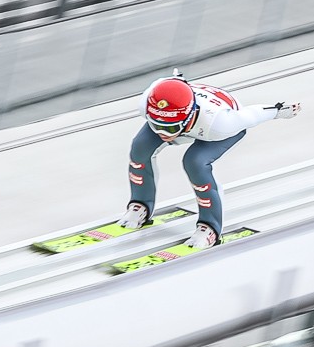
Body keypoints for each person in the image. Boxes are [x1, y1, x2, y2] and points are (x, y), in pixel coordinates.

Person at [119, 70, 301, 248]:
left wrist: (279, 111)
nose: (162, 133)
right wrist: (177, 81)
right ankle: (140, 204)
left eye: (170, 129)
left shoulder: (222, 123)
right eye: (154, 124)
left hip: (213, 126)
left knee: (195, 162)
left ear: (189, 118)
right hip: (183, 113)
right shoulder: (147, 103)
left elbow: (254, 114)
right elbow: (163, 84)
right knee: (140, 147)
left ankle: (210, 227)